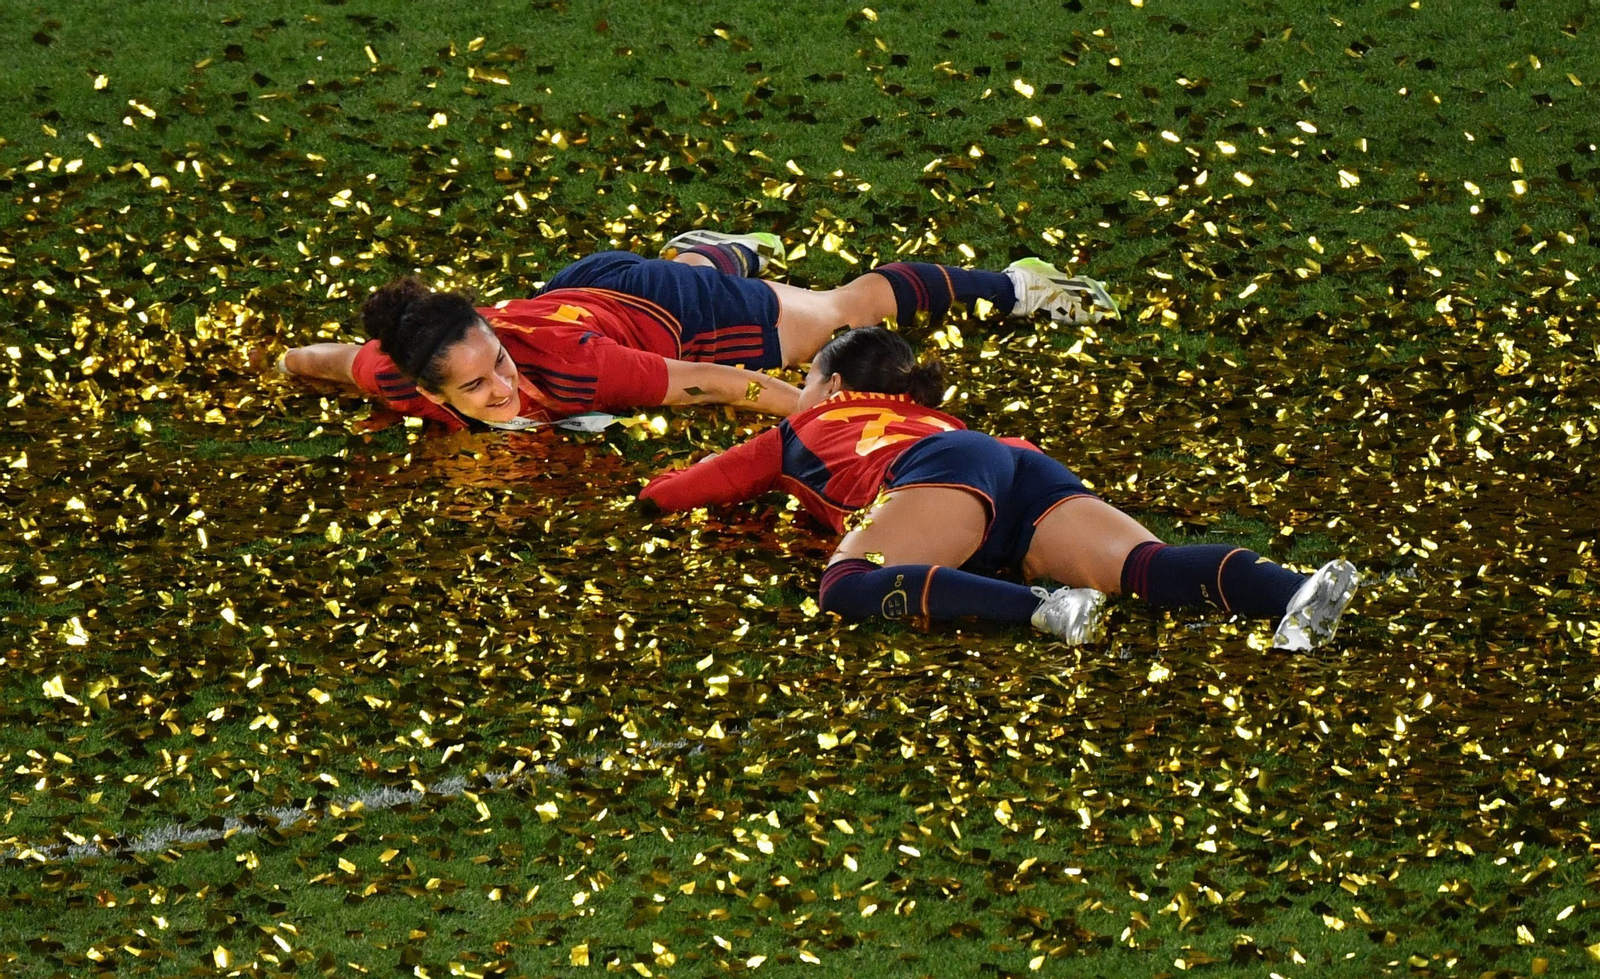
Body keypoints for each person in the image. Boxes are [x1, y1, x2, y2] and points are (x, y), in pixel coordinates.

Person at [640, 326, 1358, 651]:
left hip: (941, 471)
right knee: (1143, 565)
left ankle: (1042, 610)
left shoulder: (805, 425)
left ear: (830, 384)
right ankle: (1290, 590)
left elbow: (677, 492)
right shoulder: (931, 411)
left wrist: (644, 496)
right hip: (1015, 463)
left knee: (848, 584)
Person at [276, 230, 1119, 431]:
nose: (501, 386)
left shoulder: (586, 374)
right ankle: (709, 251)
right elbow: (317, 359)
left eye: (495, 362)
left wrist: (819, 417)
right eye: (475, 385)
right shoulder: (397, 372)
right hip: (579, 287)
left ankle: (1019, 288)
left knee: (834, 312)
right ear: (426, 388)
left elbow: (716, 382)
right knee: (693, 275)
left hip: (655, 314)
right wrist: (270, 362)